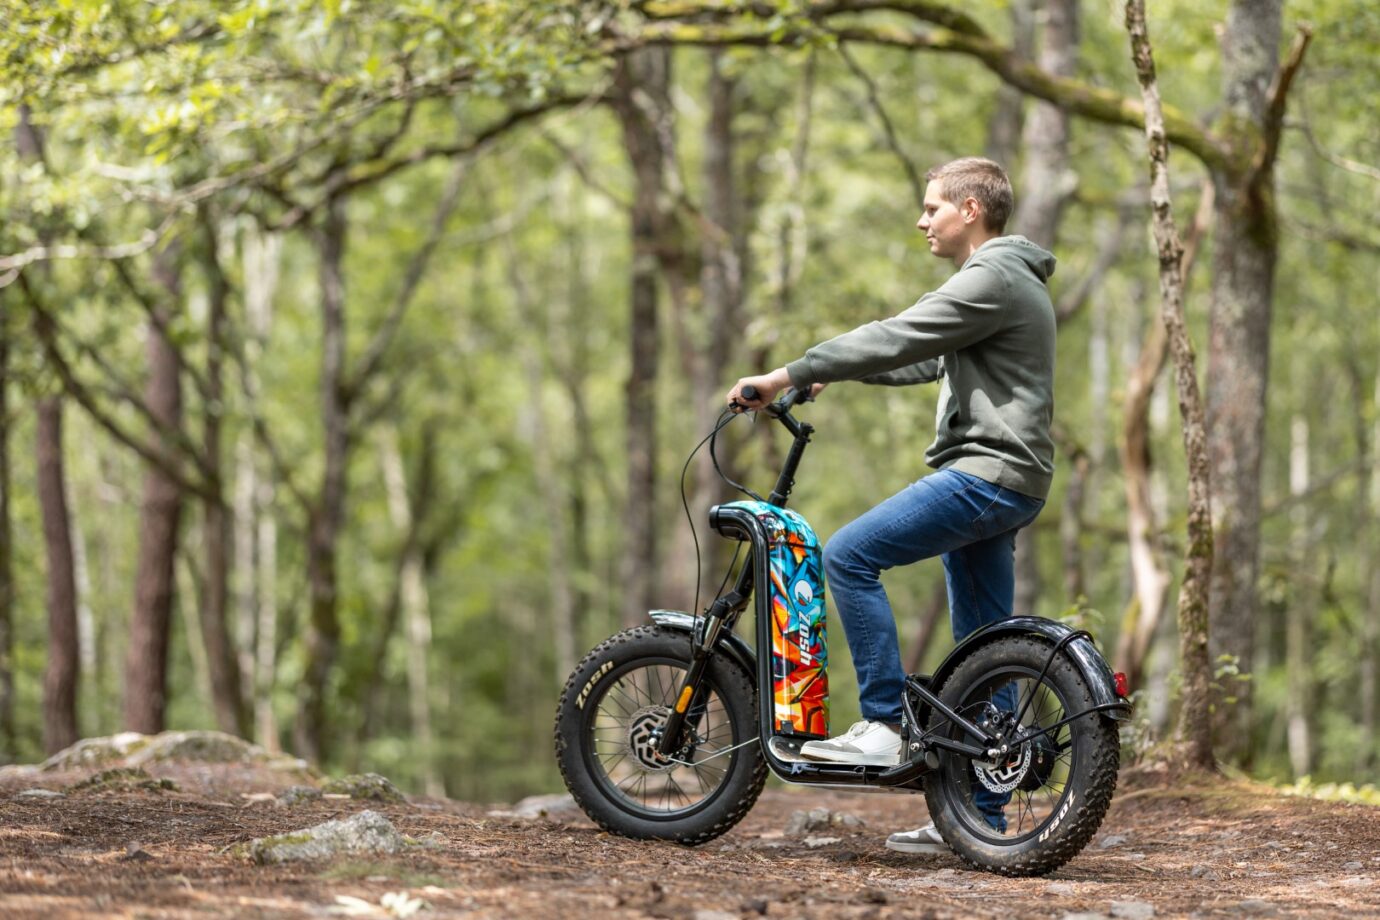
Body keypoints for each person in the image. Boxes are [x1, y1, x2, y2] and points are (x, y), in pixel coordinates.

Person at [725, 157, 1056, 853]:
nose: (921, 219)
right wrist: (835, 377)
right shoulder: (1002, 280)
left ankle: (881, 723)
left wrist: (792, 370)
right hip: (1014, 480)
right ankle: (983, 820)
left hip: (985, 474)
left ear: (970, 209)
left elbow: (900, 332)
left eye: (932, 207)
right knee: (984, 647)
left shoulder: (991, 275)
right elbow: (924, 358)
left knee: (847, 555)